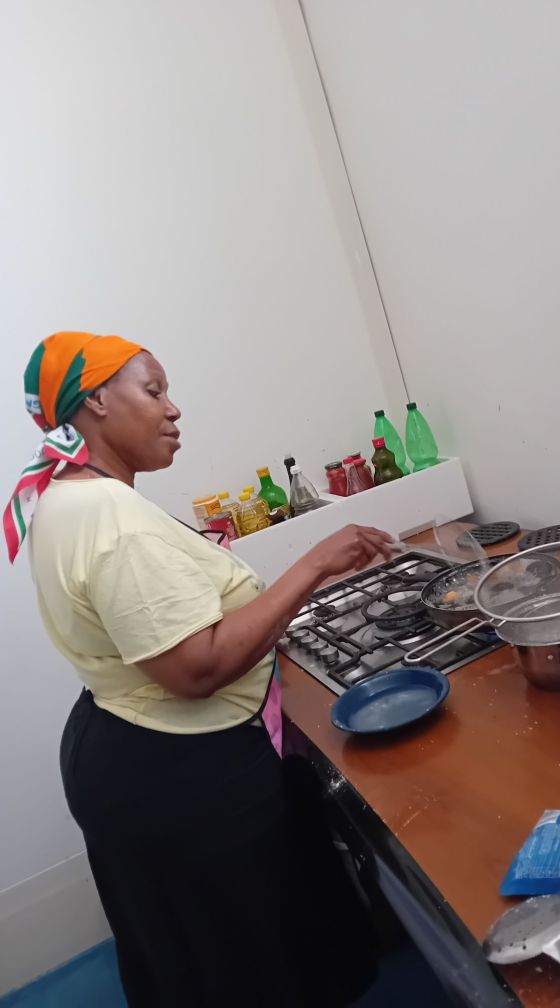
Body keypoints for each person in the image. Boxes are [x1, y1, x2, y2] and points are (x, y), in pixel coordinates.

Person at [5, 331, 392, 1007]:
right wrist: (316, 563)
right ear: (96, 401)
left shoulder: (63, 495)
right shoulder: (111, 516)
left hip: (118, 741)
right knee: (246, 962)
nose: (173, 408)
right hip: (177, 767)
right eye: (154, 390)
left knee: (189, 952)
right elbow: (195, 669)